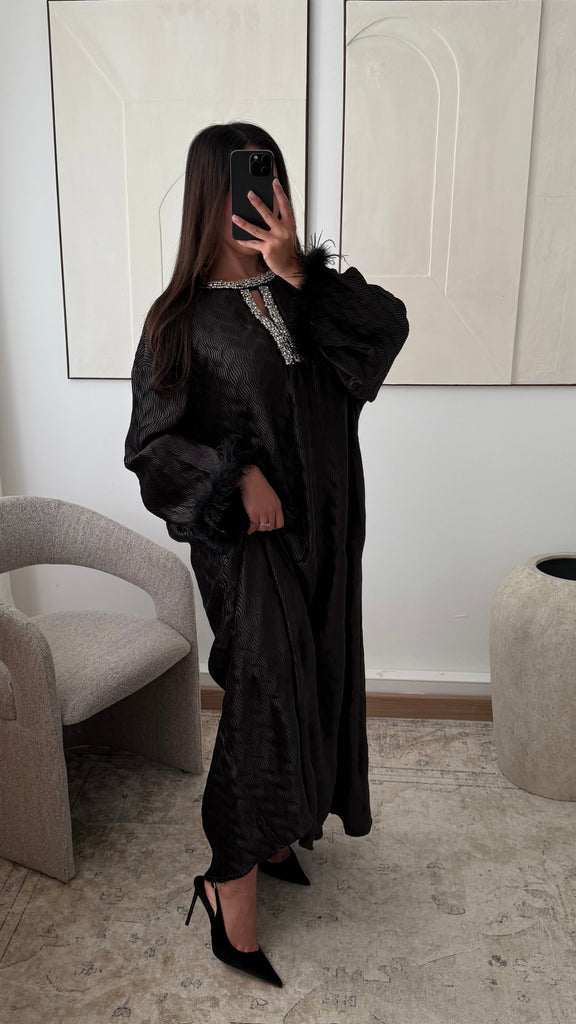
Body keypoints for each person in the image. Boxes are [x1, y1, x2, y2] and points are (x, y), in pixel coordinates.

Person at [123, 121, 410, 987]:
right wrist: (234, 473)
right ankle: (229, 884)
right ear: (210, 194)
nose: (265, 197)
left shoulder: (300, 297)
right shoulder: (178, 321)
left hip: (327, 533)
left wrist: (300, 270)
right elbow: (150, 448)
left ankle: (281, 832)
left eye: (274, 179)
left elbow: (385, 333)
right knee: (262, 693)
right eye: (250, 182)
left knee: (317, 673)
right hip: (245, 548)